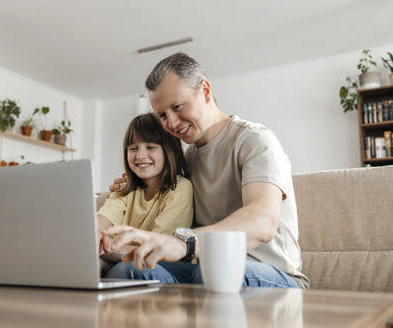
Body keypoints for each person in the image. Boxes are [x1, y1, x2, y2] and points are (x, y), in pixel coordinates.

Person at [102, 53, 309, 289]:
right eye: (162, 115)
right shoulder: (187, 158)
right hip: (205, 267)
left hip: (275, 275)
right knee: (129, 270)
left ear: (206, 91)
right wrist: (129, 182)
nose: (170, 123)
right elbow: (156, 188)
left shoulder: (255, 140)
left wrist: (183, 243)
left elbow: (262, 221)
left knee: (215, 273)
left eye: (178, 107)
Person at [96, 113, 193, 274]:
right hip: (120, 258)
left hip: (161, 265)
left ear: (169, 150)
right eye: (133, 148)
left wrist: (103, 249)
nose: (140, 156)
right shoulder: (124, 188)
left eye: (150, 147)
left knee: (126, 268)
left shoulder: (180, 188)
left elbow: (155, 249)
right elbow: (101, 221)